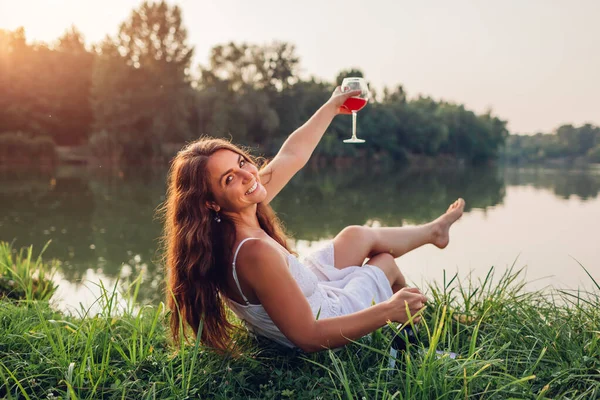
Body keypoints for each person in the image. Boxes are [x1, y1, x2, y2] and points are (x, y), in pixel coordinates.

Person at [162, 86, 465, 353]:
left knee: (355, 236)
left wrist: (333, 105)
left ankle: (434, 232)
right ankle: (416, 336)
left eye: (242, 162)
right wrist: (387, 310)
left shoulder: (228, 222)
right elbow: (308, 336)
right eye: (230, 178)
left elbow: (292, 154)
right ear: (211, 202)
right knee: (384, 262)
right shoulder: (253, 252)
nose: (248, 175)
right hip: (325, 319)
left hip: (307, 296)